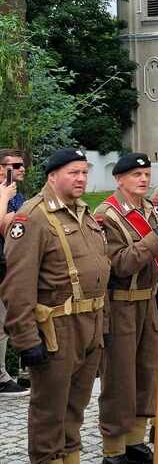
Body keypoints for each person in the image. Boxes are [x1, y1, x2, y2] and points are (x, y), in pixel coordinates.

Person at [1, 148, 110, 464]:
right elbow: (17, 284)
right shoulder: (32, 217)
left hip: (89, 326)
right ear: (52, 176)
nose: (81, 178)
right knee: (49, 413)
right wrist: (24, 339)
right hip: (55, 331)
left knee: (75, 409)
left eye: (84, 172)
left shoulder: (82, 212)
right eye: (73, 173)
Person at [95, 154, 158, 464]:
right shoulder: (107, 216)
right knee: (120, 378)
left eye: (146, 173)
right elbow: (120, 265)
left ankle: (135, 439)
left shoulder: (151, 211)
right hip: (122, 305)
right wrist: (156, 239)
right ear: (119, 179)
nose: (143, 179)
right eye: (135, 174)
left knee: (146, 373)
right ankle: (113, 447)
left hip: (148, 302)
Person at [0, 148, 29, 397]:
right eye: (16, 165)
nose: (22, 169)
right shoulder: (4, 192)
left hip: (12, 264)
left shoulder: (16, 194)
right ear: (1, 168)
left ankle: (16, 371)